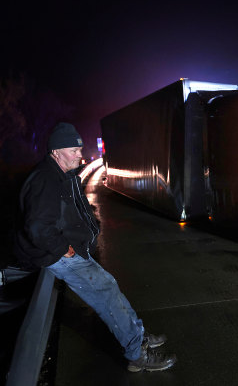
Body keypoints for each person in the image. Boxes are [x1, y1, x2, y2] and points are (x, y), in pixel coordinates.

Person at [14, 122, 177, 372]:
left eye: (80, 150)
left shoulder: (64, 173)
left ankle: (138, 335)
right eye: (73, 150)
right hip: (58, 254)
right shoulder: (45, 179)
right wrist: (64, 249)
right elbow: (37, 228)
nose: (80, 155)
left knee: (109, 288)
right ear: (55, 151)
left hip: (70, 249)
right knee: (106, 294)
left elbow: (73, 209)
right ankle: (137, 355)